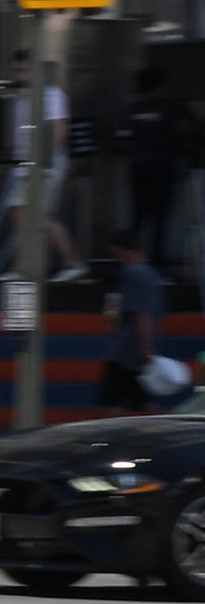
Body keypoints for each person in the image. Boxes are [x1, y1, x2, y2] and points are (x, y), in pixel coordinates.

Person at [2, 50, 88, 285]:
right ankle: (19, 267)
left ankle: (73, 262)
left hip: (44, 167)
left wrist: (47, 162)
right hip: (22, 167)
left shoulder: (51, 94)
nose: (19, 75)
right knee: (20, 217)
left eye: (23, 70)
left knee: (39, 217)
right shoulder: (18, 96)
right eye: (16, 70)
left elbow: (60, 129)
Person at [114, 66, 186, 273]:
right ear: (161, 86)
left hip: (138, 169)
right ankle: (159, 270)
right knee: (161, 221)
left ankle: (130, 267)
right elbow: (185, 132)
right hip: (163, 169)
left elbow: (120, 140)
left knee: (137, 219)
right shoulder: (172, 108)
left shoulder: (133, 110)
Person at [98, 228, 166, 416]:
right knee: (143, 404)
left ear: (122, 250)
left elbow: (140, 315)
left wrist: (144, 350)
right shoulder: (153, 276)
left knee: (111, 408)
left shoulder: (133, 275)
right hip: (136, 353)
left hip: (126, 353)